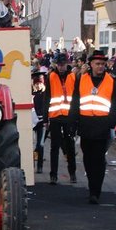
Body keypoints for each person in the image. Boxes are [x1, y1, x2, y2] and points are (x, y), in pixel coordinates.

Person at [68, 50, 116, 204]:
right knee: (87, 158)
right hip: (85, 125)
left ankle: (95, 191)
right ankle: (92, 185)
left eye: (103, 64)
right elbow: (75, 102)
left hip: (102, 125)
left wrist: (111, 122)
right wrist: (72, 123)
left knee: (98, 159)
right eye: (97, 64)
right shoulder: (82, 79)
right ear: (91, 64)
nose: (100, 67)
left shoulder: (111, 81)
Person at [44, 53, 77, 184]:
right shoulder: (51, 76)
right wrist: (45, 118)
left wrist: (76, 117)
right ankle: (53, 175)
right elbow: (47, 97)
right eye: (59, 65)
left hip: (69, 116)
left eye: (62, 65)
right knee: (54, 146)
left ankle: (72, 173)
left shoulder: (73, 77)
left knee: (70, 146)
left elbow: (76, 98)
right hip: (55, 115)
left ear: (66, 64)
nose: (61, 67)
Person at [32, 69, 47, 174]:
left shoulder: (46, 94)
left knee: (40, 144)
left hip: (42, 122)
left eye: (39, 83)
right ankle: (33, 164)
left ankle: (40, 166)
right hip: (33, 121)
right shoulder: (31, 94)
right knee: (32, 144)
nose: (38, 86)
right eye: (36, 84)